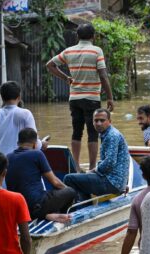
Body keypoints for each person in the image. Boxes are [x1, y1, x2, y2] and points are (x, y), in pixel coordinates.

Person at [47, 23, 114, 171]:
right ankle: (91, 167)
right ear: (93, 36)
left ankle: (76, 166)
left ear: (77, 36)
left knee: (77, 131)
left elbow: (50, 65)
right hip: (92, 98)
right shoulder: (96, 51)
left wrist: (66, 78)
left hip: (75, 98)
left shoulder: (69, 51)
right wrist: (110, 97)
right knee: (92, 133)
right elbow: (103, 75)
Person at [6, 128, 75, 223]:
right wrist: (67, 190)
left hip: (18, 207)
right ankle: (60, 214)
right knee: (70, 192)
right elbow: (55, 182)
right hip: (37, 205)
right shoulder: (37, 153)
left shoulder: (8, 157)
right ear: (35, 144)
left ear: (18, 143)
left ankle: (46, 215)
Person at [64, 109, 129, 201]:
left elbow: (109, 162)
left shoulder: (111, 136)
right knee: (82, 177)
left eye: (102, 120)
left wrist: (95, 170)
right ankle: (85, 205)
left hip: (112, 182)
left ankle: (78, 208)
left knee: (69, 178)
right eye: (96, 120)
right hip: (116, 181)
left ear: (109, 121)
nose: (98, 123)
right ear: (92, 122)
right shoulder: (108, 134)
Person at [0, 81, 44, 155]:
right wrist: (42, 144)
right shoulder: (26, 114)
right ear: (19, 97)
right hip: (18, 161)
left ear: (2, 97)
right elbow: (34, 143)